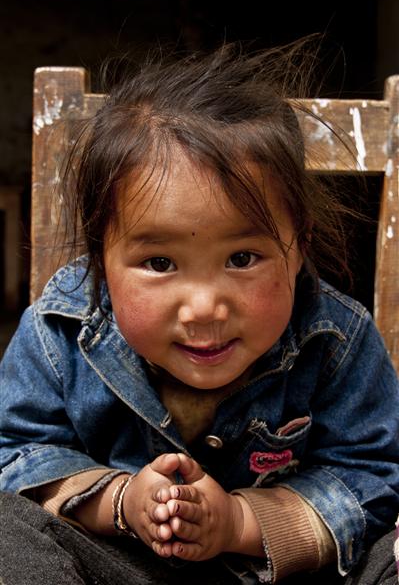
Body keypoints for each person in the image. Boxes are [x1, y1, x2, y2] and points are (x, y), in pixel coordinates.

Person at [1, 40, 399, 585]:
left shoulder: (336, 340)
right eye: (160, 262)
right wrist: (121, 503)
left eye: (242, 258)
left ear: (299, 246)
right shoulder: (59, 331)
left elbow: (375, 477)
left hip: (285, 571)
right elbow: (16, 455)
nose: (204, 307)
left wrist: (239, 522)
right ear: (100, 260)